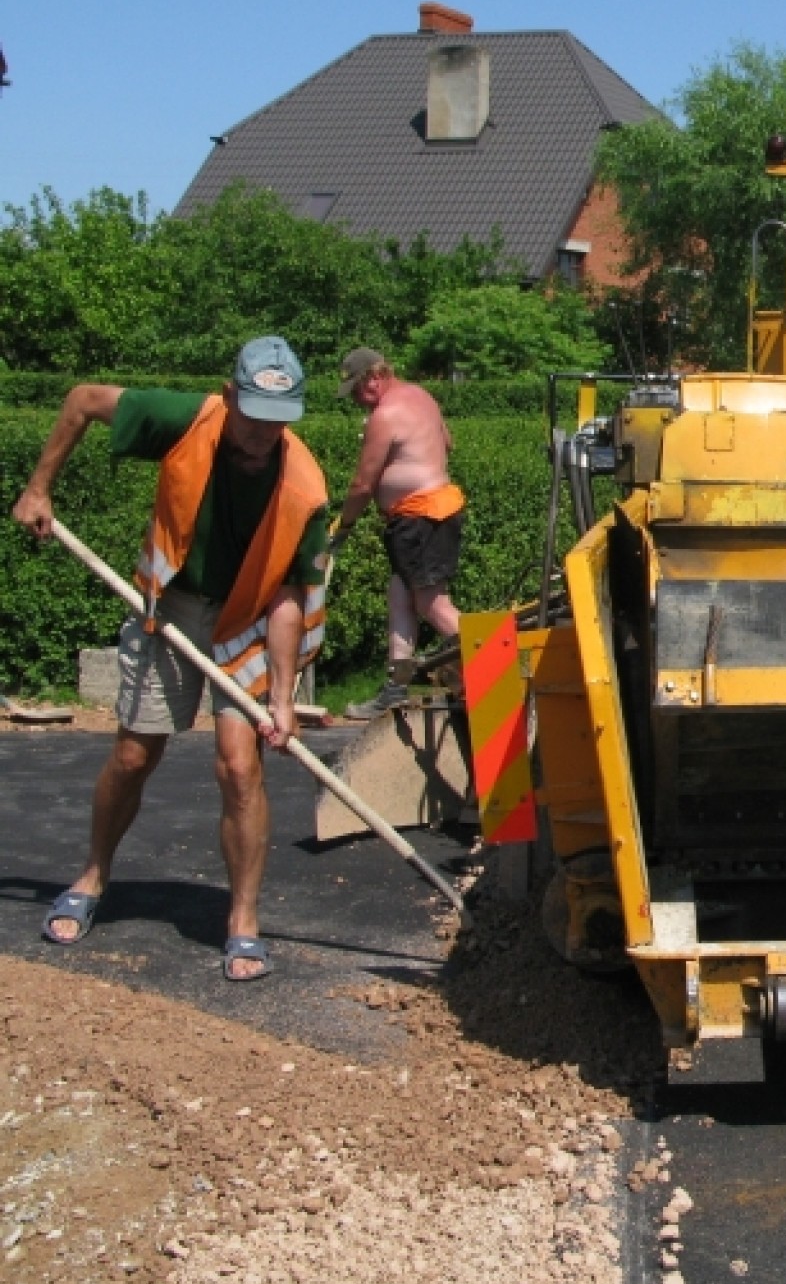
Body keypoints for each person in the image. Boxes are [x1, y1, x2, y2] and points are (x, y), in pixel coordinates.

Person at [9, 337, 329, 982]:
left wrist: (282, 700)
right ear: (232, 396)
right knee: (134, 754)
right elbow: (82, 401)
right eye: (255, 416)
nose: (266, 433)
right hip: (173, 607)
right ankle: (95, 874)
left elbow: (292, 597)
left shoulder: (304, 486)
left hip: (252, 618)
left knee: (241, 769)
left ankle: (242, 920)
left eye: (280, 420)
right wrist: (39, 488)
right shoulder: (186, 418)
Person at [329, 349, 465, 718]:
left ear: (374, 378)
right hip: (433, 511)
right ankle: (396, 685)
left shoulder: (385, 414)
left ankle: (490, 671)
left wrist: (343, 527)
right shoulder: (421, 397)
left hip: (419, 516)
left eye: (356, 391)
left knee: (430, 604)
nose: (357, 400)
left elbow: (362, 483)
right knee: (401, 597)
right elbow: (447, 442)